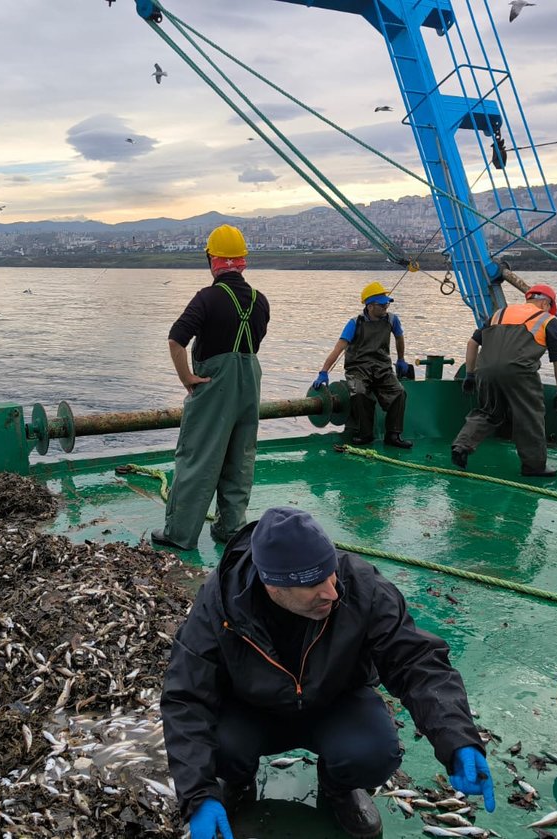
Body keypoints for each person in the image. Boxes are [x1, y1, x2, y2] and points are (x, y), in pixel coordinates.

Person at [162, 506, 494, 839]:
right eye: (313, 584)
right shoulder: (218, 601)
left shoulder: (361, 585)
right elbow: (185, 696)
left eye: (330, 572)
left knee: (374, 752)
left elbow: (416, 661)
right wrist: (197, 793)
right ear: (272, 585)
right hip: (251, 709)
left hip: (335, 701)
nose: (332, 592)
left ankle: (339, 788)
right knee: (219, 747)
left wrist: (458, 737)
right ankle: (236, 780)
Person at [152, 224, 271, 550]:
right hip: (250, 385)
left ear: (212, 260)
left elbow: (177, 339)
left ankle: (180, 534)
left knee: (198, 458)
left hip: (214, 385)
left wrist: (186, 377)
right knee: (240, 457)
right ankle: (231, 528)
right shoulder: (260, 301)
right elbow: (254, 342)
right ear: (243, 261)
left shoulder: (207, 298)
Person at [451, 283, 557, 477]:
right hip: (519, 373)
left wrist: (470, 374)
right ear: (547, 303)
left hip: (485, 371)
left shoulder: (499, 314)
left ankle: (461, 446)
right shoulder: (547, 320)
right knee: (529, 416)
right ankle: (534, 467)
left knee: (488, 412)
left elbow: (472, 343)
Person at [311, 281, 413, 448]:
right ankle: (365, 433)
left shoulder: (392, 320)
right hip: (357, 368)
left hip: (382, 367)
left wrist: (401, 359)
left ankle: (393, 435)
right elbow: (339, 348)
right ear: (370, 306)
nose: (386, 307)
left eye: (387, 303)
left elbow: (399, 338)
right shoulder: (354, 323)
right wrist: (324, 372)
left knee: (399, 393)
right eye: (382, 304)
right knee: (359, 393)